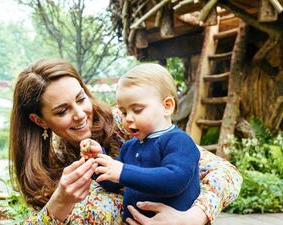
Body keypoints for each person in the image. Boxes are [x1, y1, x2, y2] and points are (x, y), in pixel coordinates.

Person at [9, 58, 242, 225]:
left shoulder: (129, 123)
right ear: (39, 121)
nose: (80, 114)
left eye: (81, 99)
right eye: (62, 111)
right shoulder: (44, 168)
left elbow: (226, 173)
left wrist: (194, 217)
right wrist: (58, 203)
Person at [79, 63, 200, 222]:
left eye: (137, 110)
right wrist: (98, 159)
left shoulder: (179, 141)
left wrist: (123, 172)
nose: (128, 118)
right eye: (123, 112)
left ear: (167, 106)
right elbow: (112, 183)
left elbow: (175, 180)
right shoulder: (129, 147)